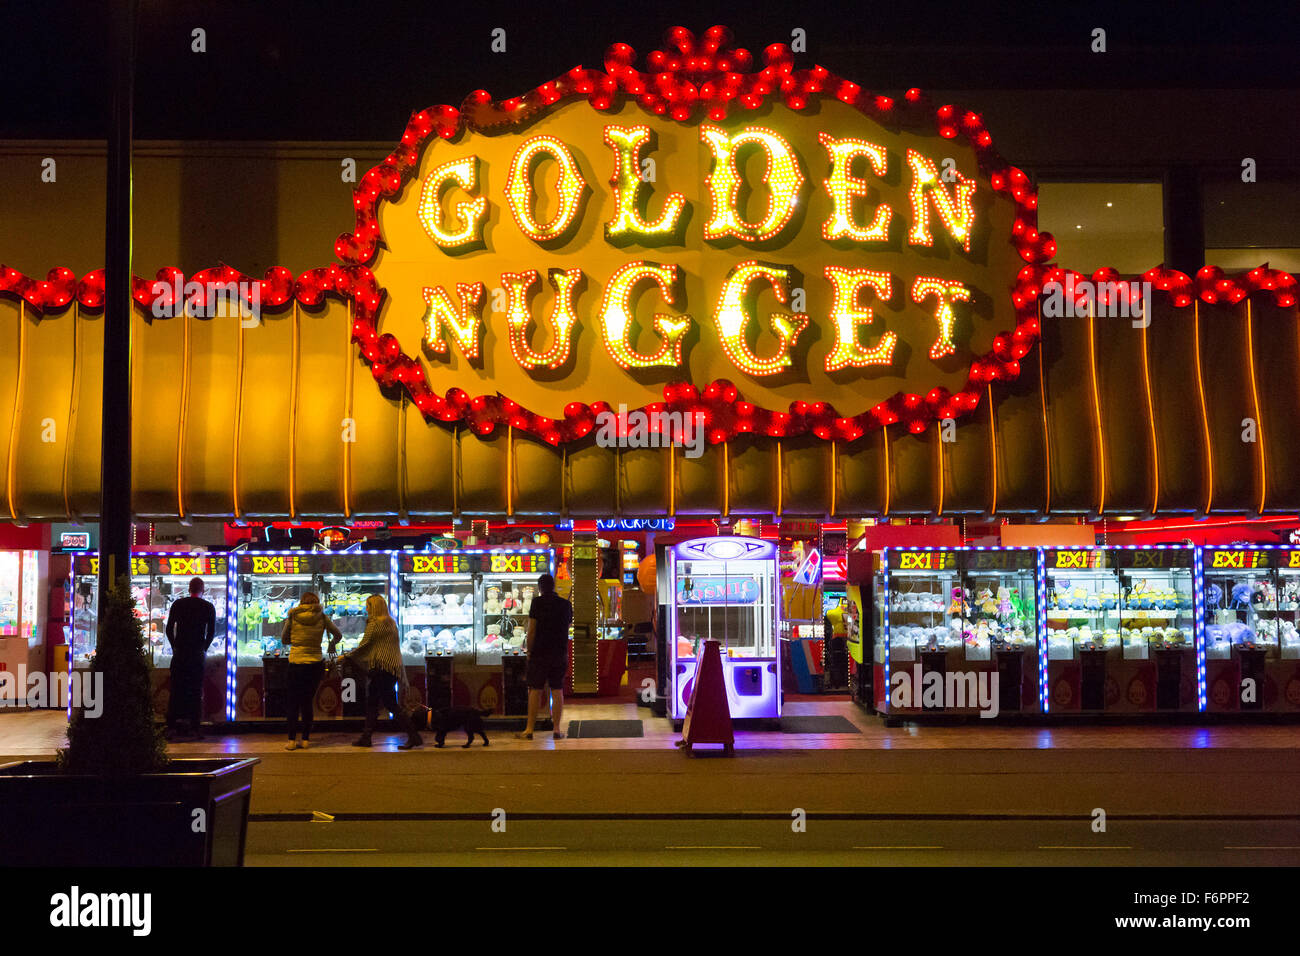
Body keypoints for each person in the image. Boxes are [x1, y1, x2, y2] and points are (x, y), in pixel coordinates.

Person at [343, 594, 422, 749]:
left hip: (381, 668)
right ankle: (366, 737)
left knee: (390, 704)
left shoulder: (374, 624)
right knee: (373, 703)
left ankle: (414, 736)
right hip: (391, 667)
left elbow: (364, 645)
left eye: (368, 606)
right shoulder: (391, 623)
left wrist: (346, 656)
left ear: (373, 608)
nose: (366, 609)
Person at [280, 591, 341, 751]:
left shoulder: (293, 616)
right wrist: (331, 643)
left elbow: (284, 639)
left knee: (293, 703)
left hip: (296, 663)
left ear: (301, 602)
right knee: (307, 702)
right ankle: (306, 740)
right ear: (316, 602)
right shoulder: (322, 617)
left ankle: (292, 740)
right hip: (315, 664)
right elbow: (338, 634)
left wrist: (297, 641)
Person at [515, 572, 572, 741]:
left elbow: (532, 629)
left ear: (540, 588)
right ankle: (556, 729)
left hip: (540, 652)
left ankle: (529, 729)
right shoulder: (565, 604)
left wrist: (529, 650)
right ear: (553, 586)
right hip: (559, 653)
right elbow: (567, 628)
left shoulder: (537, 603)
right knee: (557, 689)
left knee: (535, 690)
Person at [164, 576, 216, 740]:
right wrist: (203, 649)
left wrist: (175, 647)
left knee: (176, 690)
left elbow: (168, 629)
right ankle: (194, 727)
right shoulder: (208, 607)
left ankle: (172, 726)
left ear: (189, 588)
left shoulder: (178, 604)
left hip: (180, 654)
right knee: (195, 691)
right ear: (203, 589)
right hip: (196, 655)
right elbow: (212, 632)